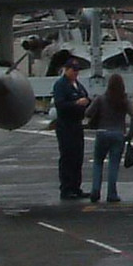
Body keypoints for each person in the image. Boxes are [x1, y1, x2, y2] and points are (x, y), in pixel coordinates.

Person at [84, 72, 133, 203]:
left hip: (102, 132)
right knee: (114, 165)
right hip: (118, 133)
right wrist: (129, 134)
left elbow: (88, 113)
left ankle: (95, 191)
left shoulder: (101, 99)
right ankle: (112, 193)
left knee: (98, 162)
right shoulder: (124, 101)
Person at [52, 57, 91, 199]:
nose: (75, 73)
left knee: (77, 157)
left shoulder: (78, 85)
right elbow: (60, 105)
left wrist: (86, 102)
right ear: (66, 70)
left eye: (77, 70)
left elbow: (87, 97)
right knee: (67, 157)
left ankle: (76, 186)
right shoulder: (60, 85)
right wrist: (76, 103)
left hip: (77, 125)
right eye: (73, 70)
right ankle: (66, 188)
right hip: (65, 125)